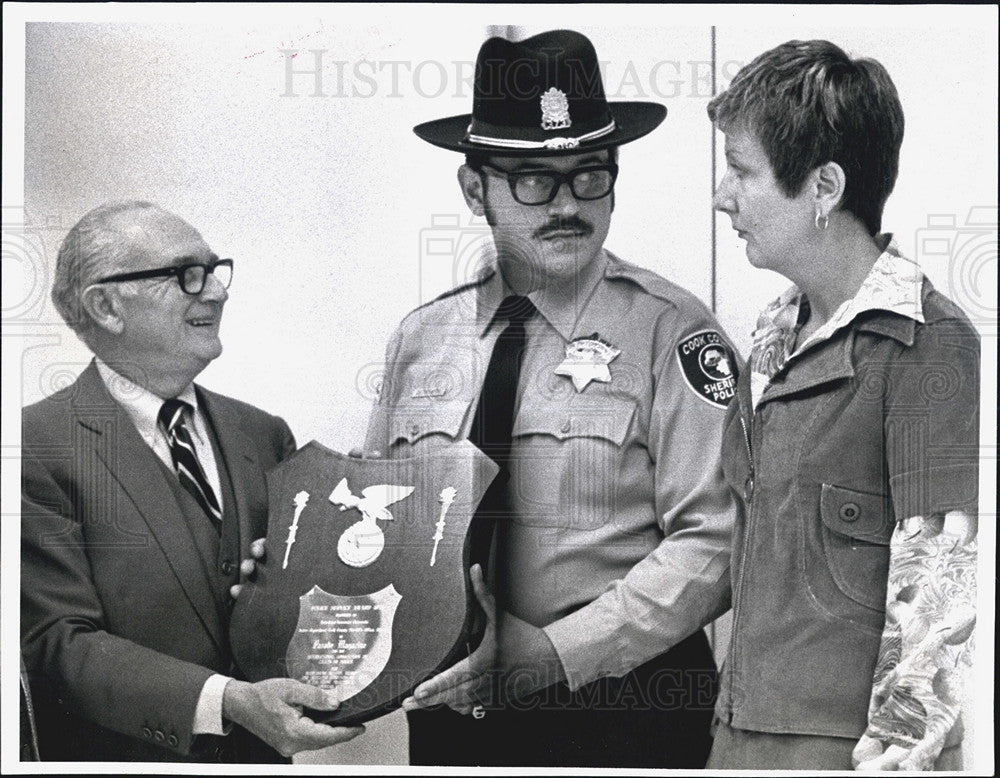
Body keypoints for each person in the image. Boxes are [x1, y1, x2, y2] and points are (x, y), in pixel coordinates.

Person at [365, 30, 738, 768]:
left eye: (590, 175)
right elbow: (383, 518)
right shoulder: (422, 338)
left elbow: (718, 539)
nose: (568, 203)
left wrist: (553, 653)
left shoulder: (675, 331)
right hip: (451, 713)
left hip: (624, 706)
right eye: (534, 180)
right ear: (476, 190)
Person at [707, 40, 979, 770]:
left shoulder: (928, 344)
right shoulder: (772, 330)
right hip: (738, 732)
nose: (721, 196)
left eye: (741, 171)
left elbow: (939, 586)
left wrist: (900, 754)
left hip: (843, 751)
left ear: (823, 186)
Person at [20, 201, 364, 762]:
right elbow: (57, 647)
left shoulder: (263, 434)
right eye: (186, 275)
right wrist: (228, 702)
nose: (217, 292)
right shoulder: (33, 449)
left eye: (214, 269)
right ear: (106, 305)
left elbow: (306, 603)